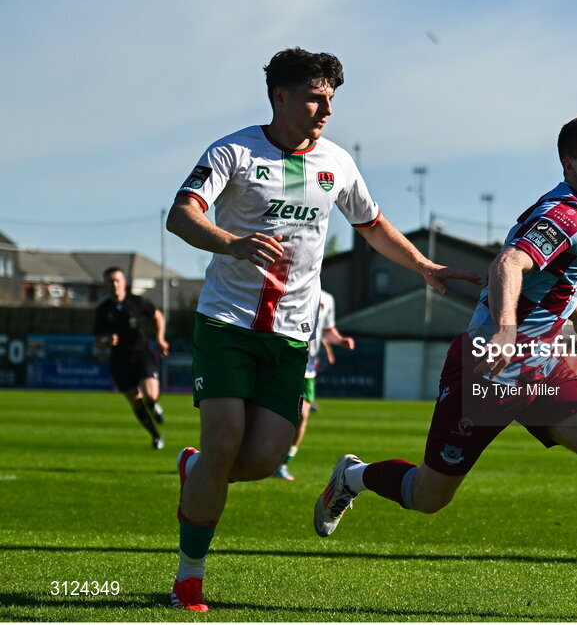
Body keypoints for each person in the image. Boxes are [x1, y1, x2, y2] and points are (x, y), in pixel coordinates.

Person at [313, 114, 577, 617]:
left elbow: (545, 267)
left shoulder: (574, 210)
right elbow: (508, 263)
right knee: (427, 495)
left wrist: (575, 311)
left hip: (541, 370)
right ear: (570, 163)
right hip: (488, 368)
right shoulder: (569, 212)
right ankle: (353, 477)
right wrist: (507, 331)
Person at [164, 47, 479, 613]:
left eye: (331, 97)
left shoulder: (337, 162)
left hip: (291, 334)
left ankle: (196, 468)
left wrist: (424, 266)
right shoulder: (232, 150)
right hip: (228, 322)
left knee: (262, 458)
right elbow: (181, 214)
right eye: (314, 95)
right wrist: (231, 242)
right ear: (279, 96)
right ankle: (190, 576)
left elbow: (373, 225)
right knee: (226, 439)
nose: (326, 108)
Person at [273, 289, 353, 481]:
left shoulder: (327, 298)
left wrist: (340, 341)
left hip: (308, 368)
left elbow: (327, 330)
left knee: (302, 415)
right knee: (272, 412)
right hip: (282, 360)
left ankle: (283, 463)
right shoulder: (289, 288)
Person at [93, 266, 169, 449]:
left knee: (150, 394)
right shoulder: (103, 310)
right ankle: (156, 436)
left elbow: (158, 317)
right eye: (110, 281)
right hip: (119, 361)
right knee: (135, 400)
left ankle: (153, 404)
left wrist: (160, 339)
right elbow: (98, 339)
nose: (114, 284)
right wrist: (106, 342)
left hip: (142, 355)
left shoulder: (137, 302)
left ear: (124, 283)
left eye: (117, 280)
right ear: (105, 285)